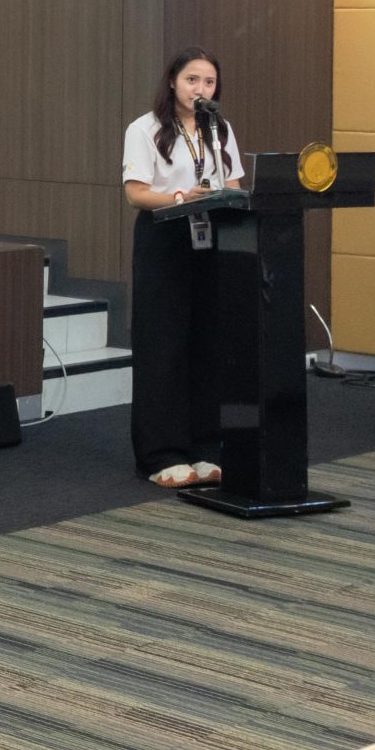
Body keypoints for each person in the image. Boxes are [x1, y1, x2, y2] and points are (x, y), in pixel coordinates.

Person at [121, 49, 244, 489]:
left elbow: (233, 184)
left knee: (207, 345)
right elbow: (136, 194)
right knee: (163, 346)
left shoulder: (219, 129)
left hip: (209, 237)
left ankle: (205, 447)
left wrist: (224, 196)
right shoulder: (145, 129)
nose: (200, 89)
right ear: (173, 81)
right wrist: (181, 198)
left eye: (209, 82)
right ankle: (161, 453)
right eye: (192, 80)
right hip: (164, 238)